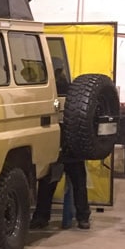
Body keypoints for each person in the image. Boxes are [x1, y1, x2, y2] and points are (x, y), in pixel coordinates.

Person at [31, 67, 91, 230]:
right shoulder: (73, 92)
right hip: (67, 145)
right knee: (65, 183)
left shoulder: (63, 92)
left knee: (49, 183)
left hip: (64, 145)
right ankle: (82, 217)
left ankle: (42, 217)